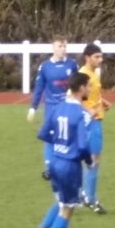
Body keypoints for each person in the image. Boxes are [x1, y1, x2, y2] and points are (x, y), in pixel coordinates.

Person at [31, 72, 92, 228]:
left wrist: (59, 144)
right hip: (69, 166)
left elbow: (42, 133)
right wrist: (89, 162)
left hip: (55, 161)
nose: (89, 89)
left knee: (60, 201)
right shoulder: (81, 114)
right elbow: (82, 146)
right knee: (67, 209)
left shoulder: (57, 108)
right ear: (81, 88)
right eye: (88, 86)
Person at [28, 37, 78, 180]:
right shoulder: (45, 67)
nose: (63, 49)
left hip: (68, 106)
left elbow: (78, 83)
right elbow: (39, 88)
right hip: (51, 108)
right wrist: (33, 107)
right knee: (49, 138)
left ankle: (68, 166)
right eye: (60, 46)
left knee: (68, 136)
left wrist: (74, 93)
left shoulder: (72, 64)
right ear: (53, 48)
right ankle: (50, 169)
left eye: (64, 46)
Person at [77, 42, 112, 213]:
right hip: (90, 121)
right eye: (97, 57)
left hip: (95, 119)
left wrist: (102, 101)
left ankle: (85, 194)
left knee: (91, 159)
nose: (101, 59)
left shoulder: (93, 73)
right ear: (87, 58)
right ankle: (90, 198)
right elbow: (74, 97)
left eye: (101, 56)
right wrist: (90, 110)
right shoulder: (83, 74)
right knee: (94, 160)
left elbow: (92, 94)